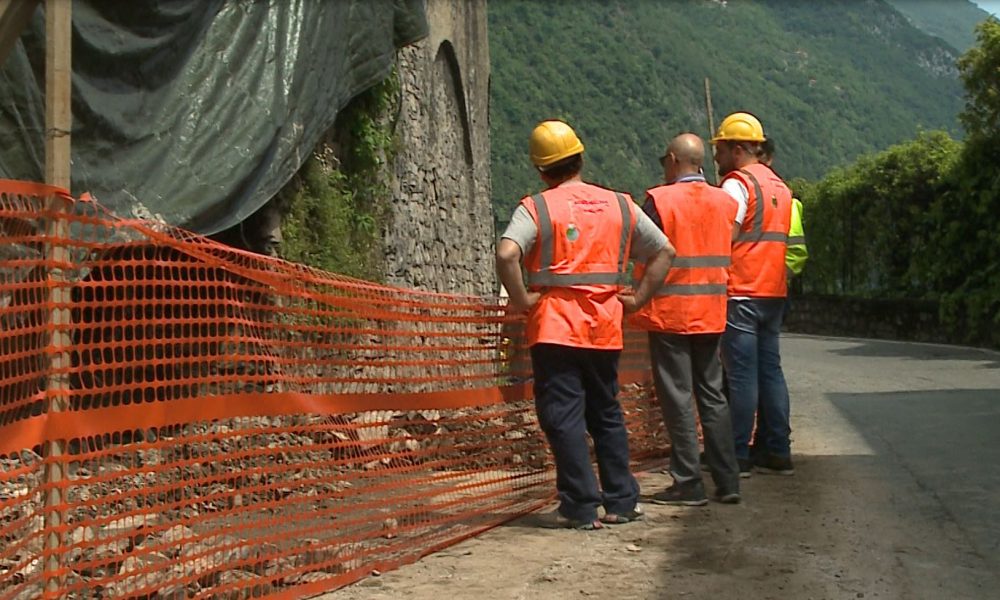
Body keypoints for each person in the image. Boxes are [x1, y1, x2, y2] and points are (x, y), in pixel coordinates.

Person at [496, 119, 675, 529]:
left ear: (541, 169)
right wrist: (640, 297)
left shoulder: (537, 207)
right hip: (605, 326)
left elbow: (507, 254)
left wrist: (522, 298)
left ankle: (579, 506)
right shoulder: (620, 205)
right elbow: (665, 250)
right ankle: (622, 501)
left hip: (555, 328)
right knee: (606, 413)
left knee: (563, 416)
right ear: (580, 157)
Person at [629, 133, 742, 506]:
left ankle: (688, 482)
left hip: (670, 315)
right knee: (713, 396)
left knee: (677, 397)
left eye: (665, 159)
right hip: (711, 315)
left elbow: (640, 250)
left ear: (675, 160)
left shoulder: (660, 200)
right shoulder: (725, 202)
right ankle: (728, 481)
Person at [711, 112, 795, 477]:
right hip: (773, 291)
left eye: (722, 149)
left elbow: (723, 236)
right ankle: (777, 449)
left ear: (739, 149)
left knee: (742, 376)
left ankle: (736, 454)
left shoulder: (737, 185)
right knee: (771, 372)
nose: (717, 157)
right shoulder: (781, 187)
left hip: (741, 291)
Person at [747, 139, 809, 460]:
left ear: (767, 158)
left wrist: (774, 275)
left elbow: (796, 252)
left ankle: (765, 444)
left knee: (756, 371)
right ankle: (773, 443)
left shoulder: (783, 201)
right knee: (767, 368)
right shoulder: (784, 197)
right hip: (773, 293)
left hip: (757, 293)